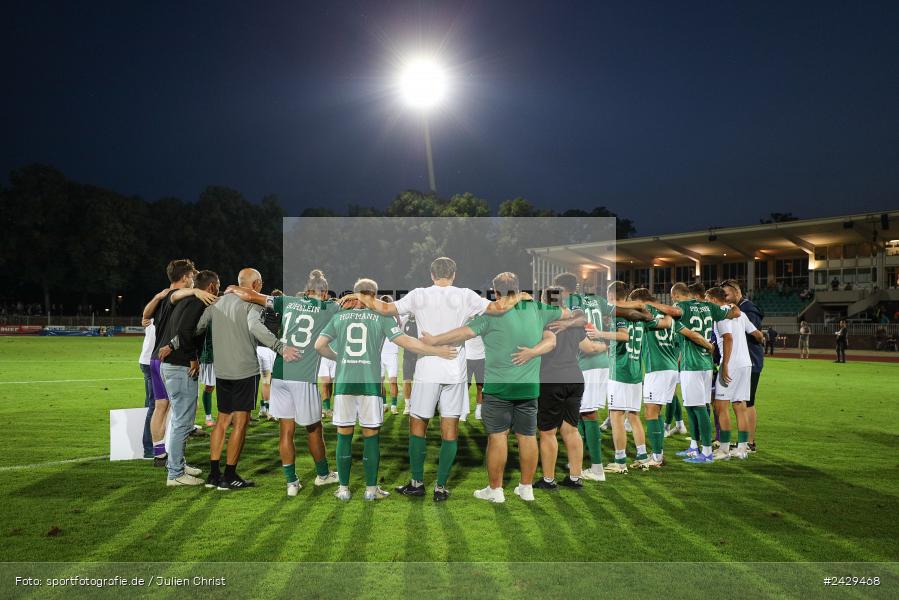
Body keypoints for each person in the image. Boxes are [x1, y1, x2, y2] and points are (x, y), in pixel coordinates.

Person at [356, 257, 521, 502]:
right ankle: (441, 487)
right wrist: (521, 295)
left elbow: (385, 308)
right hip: (455, 367)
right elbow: (499, 308)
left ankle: (417, 482)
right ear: (453, 275)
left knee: (417, 426)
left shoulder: (419, 294)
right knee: (450, 429)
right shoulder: (466, 295)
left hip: (427, 368)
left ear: (432, 275)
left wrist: (359, 295)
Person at [421, 272, 569, 503]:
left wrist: (434, 340)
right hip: (529, 386)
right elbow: (568, 313)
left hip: (499, 386)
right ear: (518, 289)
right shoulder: (538, 308)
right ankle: (526, 488)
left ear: (495, 292)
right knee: (528, 436)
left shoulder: (492, 313)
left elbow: (463, 333)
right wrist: (548, 334)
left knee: (498, 437)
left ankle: (496, 490)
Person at [315, 277, 458, 502]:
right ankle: (371, 490)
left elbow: (318, 346)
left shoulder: (339, 316)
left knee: (344, 437)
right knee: (371, 437)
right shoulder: (382, 316)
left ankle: (343, 489)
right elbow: (407, 342)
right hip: (370, 383)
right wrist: (436, 351)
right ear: (373, 295)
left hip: (344, 383)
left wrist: (339, 358)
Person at [227, 270, 341, 496]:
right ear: (325, 292)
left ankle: (291, 483)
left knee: (285, 431)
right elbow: (350, 305)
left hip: (280, 373)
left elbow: (250, 296)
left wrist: (234, 288)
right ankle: (323, 474)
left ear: (306, 290)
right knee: (313, 429)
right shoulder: (329, 307)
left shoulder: (287, 301)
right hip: (303, 376)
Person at [193, 268, 299, 490]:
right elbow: (254, 327)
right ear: (257, 284)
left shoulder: (216, 302)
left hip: (222, 370)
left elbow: (199, 327)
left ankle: (214, 474)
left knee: (222, 421)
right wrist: (280, 347)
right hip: (244, 370)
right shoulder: (252, 303)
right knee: (240, 423)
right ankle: (230, 475)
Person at [551, 272, 647, 481]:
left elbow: (580, 318)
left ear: (561, 288)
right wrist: (641, 311)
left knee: (587, 414)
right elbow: (620, 310)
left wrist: (568, 324)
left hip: (587, 362)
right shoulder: (597, 299)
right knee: (578, 413)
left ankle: (597, 469)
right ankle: (580, 457)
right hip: (601, 362)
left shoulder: (570, 300)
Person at [141, 259, 216, 467]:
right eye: (192, 276)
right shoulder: (177, 296)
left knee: (161, 407)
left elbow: (146, 315)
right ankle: (174, 463)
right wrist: (194, 292)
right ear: (185, 277)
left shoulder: (164, 297)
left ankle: (160, 455)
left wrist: (158, 297)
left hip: (156, 358)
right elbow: (175, 294)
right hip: (171, 358)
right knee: (178, 411)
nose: (194, 281)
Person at [628, 287, 714, 468]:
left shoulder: (644, 313)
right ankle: (658, 454)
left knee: (651, 412)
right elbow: (690, 334)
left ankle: (657, 457)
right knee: (656, 410)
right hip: (673, 369)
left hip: (657, 368)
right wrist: (708, 345)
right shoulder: (671, 316)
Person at [156, 270, 220, 486]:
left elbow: (182, 330)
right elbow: (185, 330)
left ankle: (178, 464)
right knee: (182, 421)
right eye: (217, 285)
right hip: (181, 366)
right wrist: (193, 358)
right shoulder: (196, 301)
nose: (218, 289)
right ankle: (175, 474)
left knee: (179, 420)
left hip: (173, 364)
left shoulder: (186, 299)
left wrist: (173, 345)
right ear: (211, 287)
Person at [533, 287, 599, 491]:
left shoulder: (542, 320)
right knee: (570, 429)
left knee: (547, 432)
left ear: (544, 300)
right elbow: (587, 348)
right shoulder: (573, 321)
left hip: (551, 378)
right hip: (575, 377)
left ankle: (549, 479)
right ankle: (575, 477)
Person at [670, 282, 740, 464]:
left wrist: (708, 344)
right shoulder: (709, 306)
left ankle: (707, 452)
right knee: (693, 407)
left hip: (692, 365)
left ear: (677, 295)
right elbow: (736, 313)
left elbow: (691, 334)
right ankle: (694, 446)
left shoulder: (681, 307)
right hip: (705, 364)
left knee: (698, 408)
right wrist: (732, 303)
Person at [706, 287, 765, 461]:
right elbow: (757, 334)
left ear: (714, 299)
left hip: (731, 364)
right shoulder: (740, 313)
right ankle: (742, 449)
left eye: (708, 300)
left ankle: (724, 449)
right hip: (746, 364)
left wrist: (724, 365)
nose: (707, 303)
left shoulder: (720, 314)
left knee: (721, 406)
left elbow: (728, 338)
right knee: (740, 406)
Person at [722, 280, 764, 453]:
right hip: (744, 361)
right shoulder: (739, 308)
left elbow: (755, 333)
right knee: (741, 402)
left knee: (748, 402)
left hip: (750, 361)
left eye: (727, 294)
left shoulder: (747, 309)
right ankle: (744, 443)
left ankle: (749, 443)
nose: (725, 298)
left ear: (737, 293)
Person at [378, 295, 401, 415]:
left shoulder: (395, 317)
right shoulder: (377, 317)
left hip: (391, 352)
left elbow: (400, 325)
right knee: (380, 381)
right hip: (379, 353)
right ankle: (383, 404)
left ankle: (394, 405)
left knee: (393, 380)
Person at [138, 317, 156, 459]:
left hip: (145, 361)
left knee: (149, 404)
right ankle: (149, 448)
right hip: (152, 363)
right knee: (154, 406)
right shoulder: (165, 315)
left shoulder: (152, 316)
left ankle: (146, 444)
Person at [465, 334, 486, 421]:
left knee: (480, 386)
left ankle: (479, 410)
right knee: (466, 386)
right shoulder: (465, 320)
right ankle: (464, 410)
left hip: (482, 357)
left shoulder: (486, 320)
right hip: (467, 357)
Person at [400, 314, 418, 415]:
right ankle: (407, 405)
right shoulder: (404, 320)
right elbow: (400, 335)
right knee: (407, 380)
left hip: (420, 356)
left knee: (421, 381)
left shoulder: (421, 319)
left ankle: (420, 404)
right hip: (407, 356)